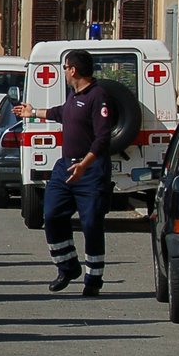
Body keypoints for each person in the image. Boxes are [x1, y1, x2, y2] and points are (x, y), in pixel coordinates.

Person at [13, 49, 113, 295]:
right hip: (65, 166)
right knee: (52, 215)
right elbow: (61, 113)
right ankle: (67, 266)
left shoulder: (98, 96)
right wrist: (32, 112)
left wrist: (84, 164)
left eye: (65, 67)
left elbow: (102, 138)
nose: (64, 72)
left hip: (89, 170)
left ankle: (93, 280)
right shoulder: (73, 95)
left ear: (74, 70)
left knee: (91, 224)